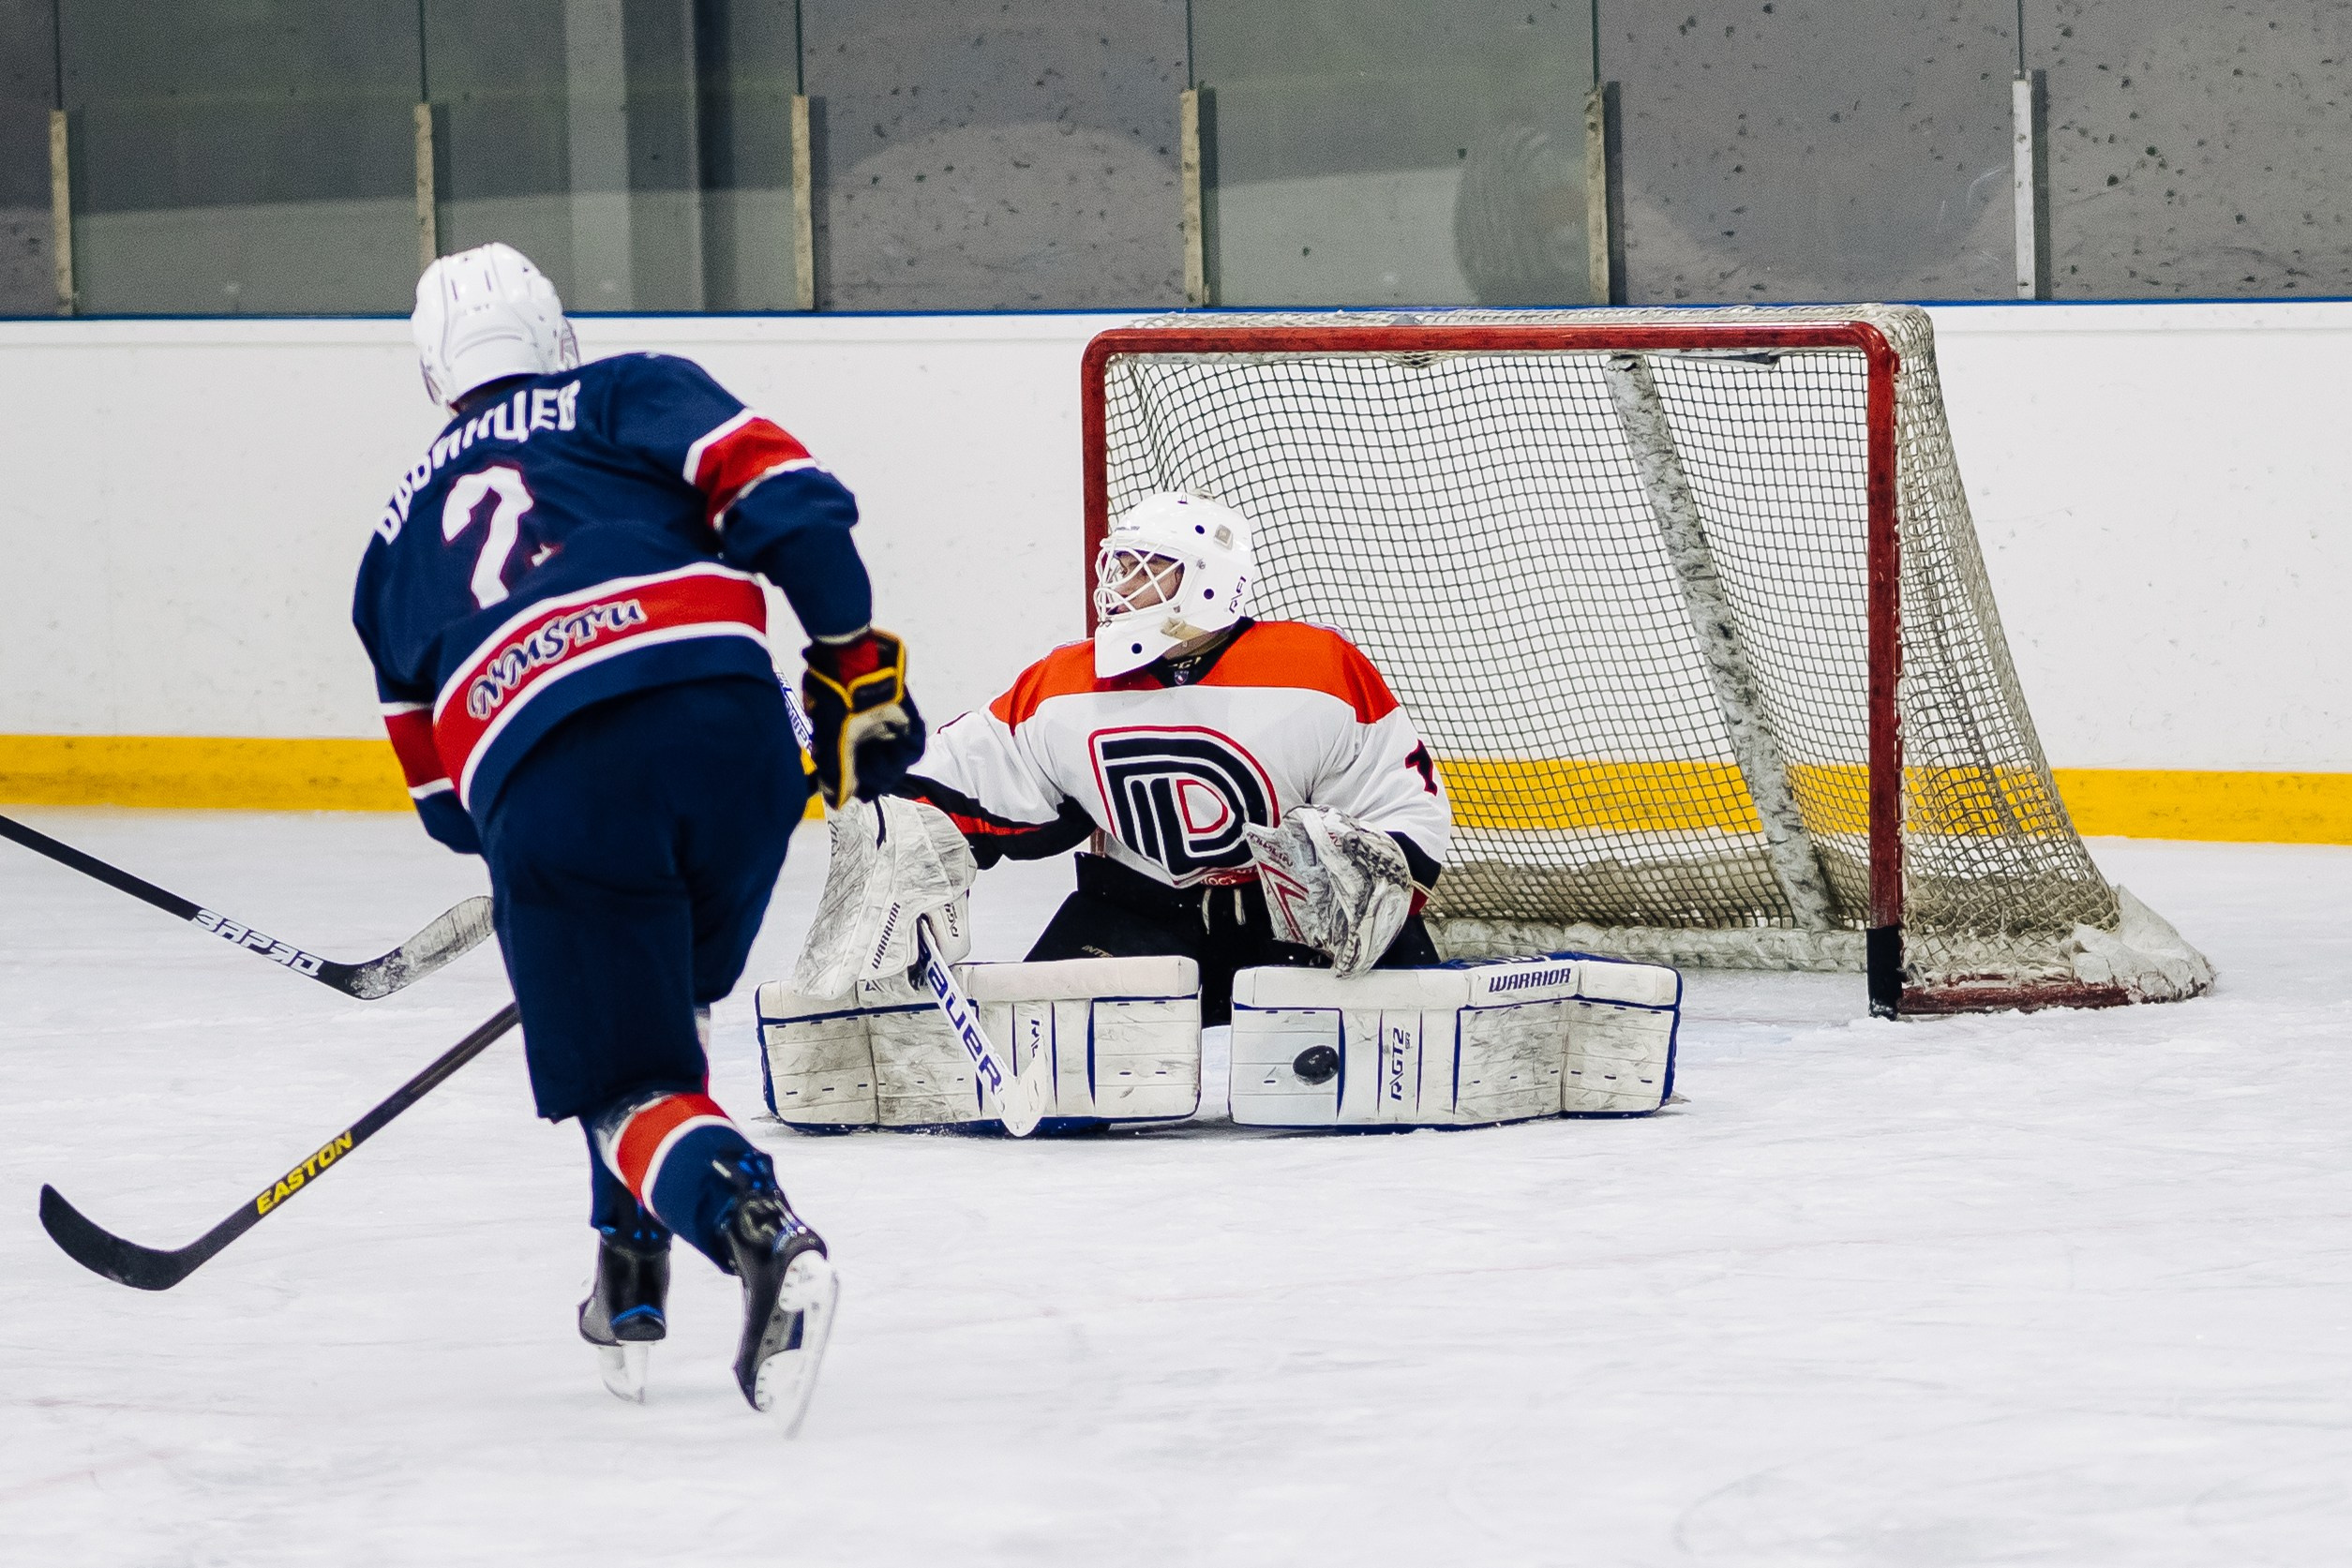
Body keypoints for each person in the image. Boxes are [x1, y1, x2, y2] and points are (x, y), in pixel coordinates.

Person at [351, 242, 922, 1426]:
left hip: (550, 782)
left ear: (429, 378)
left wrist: (544, 859)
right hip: (734, 740)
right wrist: (853, 661)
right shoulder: (626, 387)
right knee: (667, 1011)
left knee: (630, 1074)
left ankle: (749, 1226)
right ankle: (628, 1267)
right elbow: (789, 504)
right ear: (559, 336)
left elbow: (446, 808)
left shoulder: (387, 555)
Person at [895, 492, 1448, 1023]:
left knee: (1391, 1073)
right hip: (1140, 911)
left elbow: (1398, 799)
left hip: (1301, 923)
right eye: (1121, 566)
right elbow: (967, 775)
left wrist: (1379, 885)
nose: (1124, 585)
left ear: (1209, 582)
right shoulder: (1066, 682)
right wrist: (909, 840)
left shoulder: (1314, 669)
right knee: (1053, 1079)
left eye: (1151, 567)